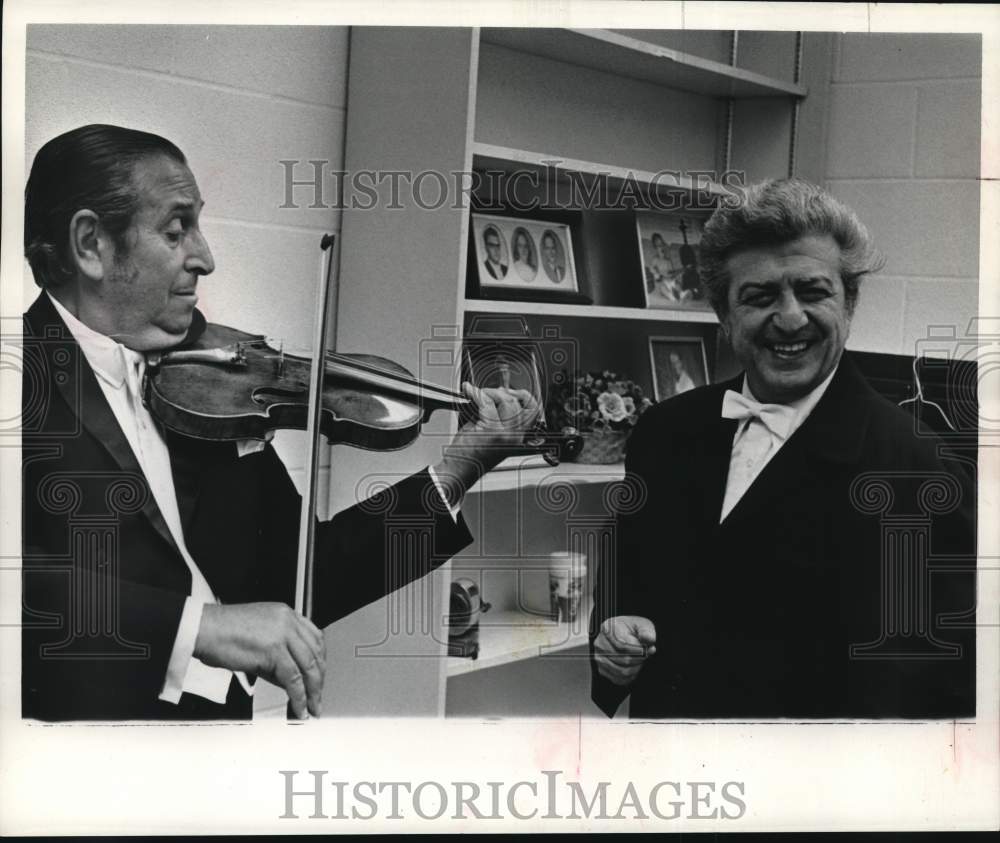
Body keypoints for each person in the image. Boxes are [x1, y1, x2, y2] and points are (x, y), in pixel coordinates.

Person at [21, 124, 539, 721]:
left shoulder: (210, 385)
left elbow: (302, 576)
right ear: (91, 244)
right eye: (175, 229)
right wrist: (198, 627)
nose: (205, 257)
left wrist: (456, 470)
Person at [591, 179, 975, 719]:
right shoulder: (664, 429)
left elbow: (939, 687)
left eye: (813, 291)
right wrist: (612, 637)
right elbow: (626, 576)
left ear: (850, 304)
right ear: (724, 316)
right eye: (760, 296)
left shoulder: (916, 468)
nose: (791, 318)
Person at [646, 232, 683, 301]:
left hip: (671, 279)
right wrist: (658, 275)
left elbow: (671, 271)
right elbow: (653, 271)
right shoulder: (655, 259)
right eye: (658, 246)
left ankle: (678, 293)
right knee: (663, 288)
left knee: (677, 284)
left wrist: (675, 275)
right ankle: (672, 295)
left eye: (662, 244)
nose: (661, 248)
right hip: (662, 281)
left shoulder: (668, 260)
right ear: (655, 248)